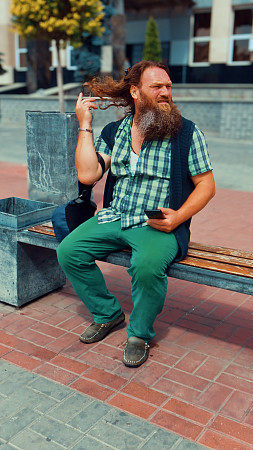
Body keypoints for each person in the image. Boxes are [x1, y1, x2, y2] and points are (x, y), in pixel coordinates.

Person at [57, 61, 216, 368]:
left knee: (145, 267)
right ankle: (107, 313)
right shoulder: (115, 131)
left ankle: (139, 334)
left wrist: (179, 217)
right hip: (116, 215)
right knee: (69, 251)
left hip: (158, 223)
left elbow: (206, 186)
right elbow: (88, 175)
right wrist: (84, 124)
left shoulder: (186, 133)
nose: (165, 92)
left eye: (168, 86)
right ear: (135, 92)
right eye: (157, 87)